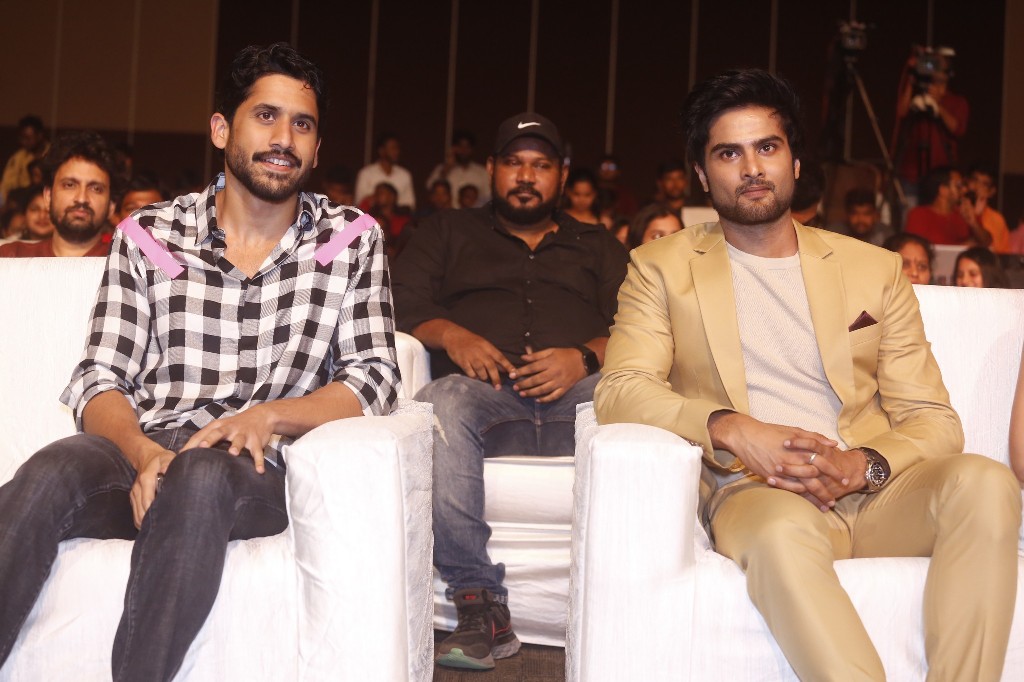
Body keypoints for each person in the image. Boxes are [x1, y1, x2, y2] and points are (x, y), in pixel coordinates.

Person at [595, 68, 1020, 682]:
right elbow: (620, 388)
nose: (752, 168)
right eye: (729, 153)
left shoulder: (873, 268)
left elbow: (933, 419)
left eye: (767, 147)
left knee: (984, 482)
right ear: (702, 175)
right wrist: (734, 429)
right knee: (778, 534)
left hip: (877, 493)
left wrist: (864, 463)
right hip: (757, 491)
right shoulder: (659, 267)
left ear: (794, 163)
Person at [0, 43, 399, 682]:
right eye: (265, 116)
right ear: (221, 129)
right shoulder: (150, 236)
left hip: (257, 465)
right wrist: (141, 454)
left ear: (318, 147)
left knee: (203, 474)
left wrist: (267, 417)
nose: (284, 139)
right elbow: (100, 377)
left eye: (302, 124)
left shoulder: (348, 240)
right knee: (53, 468)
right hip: (149, 444)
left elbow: (372, 376)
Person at [392, 112, 627, 671]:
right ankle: (480, 607)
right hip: (485, 400)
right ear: (492, 168)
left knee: (635, 398)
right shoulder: (447, 232)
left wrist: (585, 355)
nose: (526, 176)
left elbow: (643, 324)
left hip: (581, 399)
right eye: (514, 163)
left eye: (540, 165)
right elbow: (400, 299)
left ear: (562, 175)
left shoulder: (597, 245)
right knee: (442, 401)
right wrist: (454, 335)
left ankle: (627, 600)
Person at [0, 132, 120, 258]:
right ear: (48, 196)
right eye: (69, 185)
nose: (81, 198)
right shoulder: (10, 256)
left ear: (111, 205)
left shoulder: (128, 264)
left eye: (96, 189)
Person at [892, 50, 968, 199]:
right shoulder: (917, 97)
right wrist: (911, 80)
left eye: (939, 66)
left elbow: (957, 129)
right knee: (910, 211)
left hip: (940, 175)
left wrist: (937, 105)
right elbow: (901, 113)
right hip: (911, 172)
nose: (935, 70)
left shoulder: (958, 102)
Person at [905, 166, 991, 247]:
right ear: (943, 190)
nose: (964, 189)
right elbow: (913, 248)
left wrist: (973, 223)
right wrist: (961, 247)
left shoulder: (965, 213)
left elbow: (986, 242)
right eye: (958, 186)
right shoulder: (918, 215)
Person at [425, 130, 491, 207]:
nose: (464, 150)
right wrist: (447, 168)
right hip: (449, 212)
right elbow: (430, 187)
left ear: (472, 149)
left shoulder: (481, 172)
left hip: (473, 213)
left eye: (467, 147)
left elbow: (488, 197)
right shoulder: (443, 169)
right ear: (455, 148)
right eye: (461, 147)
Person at [354, 132, 415, 209]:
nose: (396, 152)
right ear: (381, 150)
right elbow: (359, 203)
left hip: (397, 215)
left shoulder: (404, 175)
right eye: (393, 148)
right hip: (372, 214)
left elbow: (409, 204)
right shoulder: (366, 173)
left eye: (397, 148)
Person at [1, 115, 49, 205]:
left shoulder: (52, 154)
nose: (24, 142)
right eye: (22, 138)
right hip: (22, 200)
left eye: (28, 138)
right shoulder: (18, 158)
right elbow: (6, 186)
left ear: (39, 136)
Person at [966, 163, 1011, 253]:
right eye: (974, 180)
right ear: (966, 182)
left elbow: (992, 250)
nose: (977, 187)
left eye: (984, 184)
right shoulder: (954, 211)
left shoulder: (996, 219)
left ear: (991, 192)